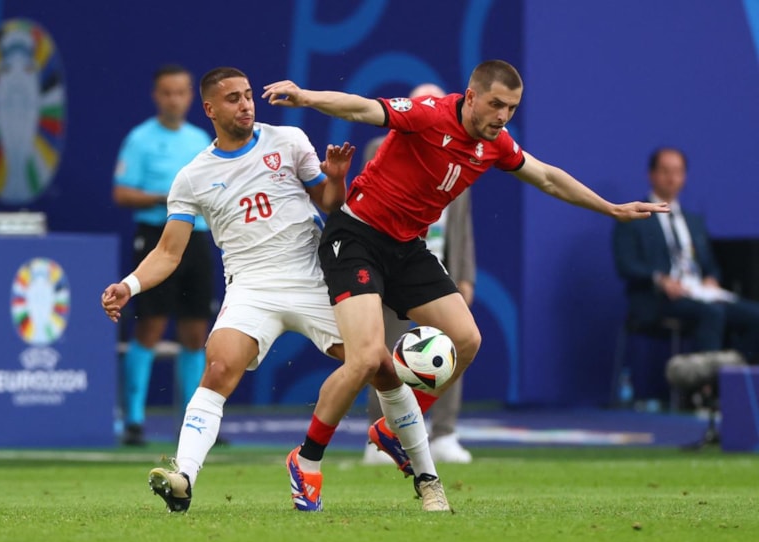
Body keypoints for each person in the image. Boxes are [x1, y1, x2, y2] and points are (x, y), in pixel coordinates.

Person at [262, 60, 667, 473]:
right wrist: (306, 97)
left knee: (466, 339)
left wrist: (610, 208)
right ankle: (307, 461)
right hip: (358, 237)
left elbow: (547, 177)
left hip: (406, 247)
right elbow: (361, 108)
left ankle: (394, 428)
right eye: (496, 104)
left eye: (512, 108)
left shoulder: (496, 143)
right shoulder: (428, 114)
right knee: (366, 360)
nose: (503, 116)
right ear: (471, 97)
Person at [102, 67, 445, 514]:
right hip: (251, 287)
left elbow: (332, 206)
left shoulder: (288, 141)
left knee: (379, 364)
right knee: (219, 366)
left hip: (312, 276)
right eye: (233, 98)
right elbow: (168, 252)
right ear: (210, 109)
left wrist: (336, 178)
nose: (245, 104)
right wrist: (129, 285)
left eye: (248, 95)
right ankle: (183, 477)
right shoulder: (193, 176)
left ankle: (427, 478)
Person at [362, 83, 475, 465]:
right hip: (391, 264)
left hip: (436, 268)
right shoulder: (382, 149)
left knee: (456, 346)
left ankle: (444, 432)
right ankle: (381, 435)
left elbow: (463, 224)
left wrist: (466, 275)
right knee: (382, 354)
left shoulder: (465, 150)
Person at [113, 64, 214, 446]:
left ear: (191, 97)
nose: (174, 99)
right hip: (157, 236)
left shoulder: (200, 138)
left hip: (196, 238)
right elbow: (122, 193)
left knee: (195, 332)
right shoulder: (140, 139)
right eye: (167, 93)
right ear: (157, 96)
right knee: (151, 327)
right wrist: (166, 199)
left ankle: (194, 422)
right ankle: (134, 421)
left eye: (181, 92)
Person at [613, 147, 759, 363]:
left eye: (677, 172)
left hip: (699, 293)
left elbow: (709, 264)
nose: (672, 178)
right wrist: (661, 279)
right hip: (659, 298)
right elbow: (626, 265)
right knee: (713, 313)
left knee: (754, 315)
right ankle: (703, 382)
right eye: (665, 171)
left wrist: (711, 278)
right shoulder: (634, 217)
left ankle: (734, 375)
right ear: (651, 174)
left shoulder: (694, 221)